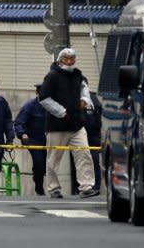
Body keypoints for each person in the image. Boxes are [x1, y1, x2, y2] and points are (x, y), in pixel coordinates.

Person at [39, 47, 98, 199]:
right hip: (57, 126)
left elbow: (85, 91)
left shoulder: (79, 76)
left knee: (84, 154)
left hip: (77, 124)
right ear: (60, 60)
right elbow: (44, 98)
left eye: (72, 58)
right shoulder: (52, 76)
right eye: (66, 58)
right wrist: (62, 112)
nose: (70, 61)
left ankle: (86, 186)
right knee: (53, 159)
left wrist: (85, 101)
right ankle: (53, 188)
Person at [14, 83, 47, 196]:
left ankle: (41, 179)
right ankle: (39, 186)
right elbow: (19, 122)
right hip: (33, 139)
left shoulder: (52, 106)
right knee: (38, 161)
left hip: (49, 140)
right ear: (37, 93)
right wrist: (22, 134)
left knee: (46, 165)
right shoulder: (30, 106)